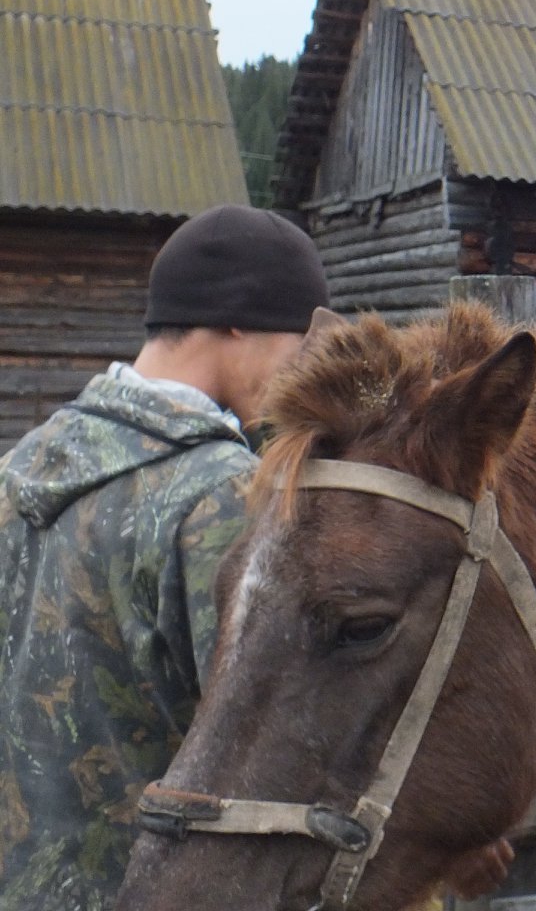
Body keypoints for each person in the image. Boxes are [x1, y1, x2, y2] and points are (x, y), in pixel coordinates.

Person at [0, 204, 329, 910]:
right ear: (238, 320)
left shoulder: (18, 468)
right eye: (299, 346)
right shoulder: (221, 496)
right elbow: (273, 738)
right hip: (154, 891)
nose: (302, 373)